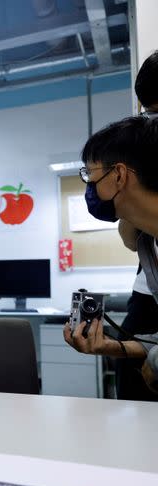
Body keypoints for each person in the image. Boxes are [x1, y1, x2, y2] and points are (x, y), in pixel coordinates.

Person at [63, 115, 158, 395]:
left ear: (119, 175)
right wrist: (111, 346)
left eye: (90, 176)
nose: (89, 187)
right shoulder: (148, 246)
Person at [111, 51, 158, 400]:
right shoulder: (145, 158)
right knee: (131, 379)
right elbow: (132, 242)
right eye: (149, 113)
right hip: (147, 297)